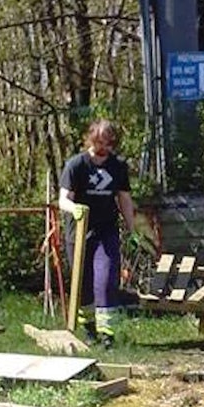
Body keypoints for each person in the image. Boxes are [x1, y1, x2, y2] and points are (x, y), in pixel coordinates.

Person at [58, 119, 140, 346]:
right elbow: (63, 200)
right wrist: (74, 209)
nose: (102, 147)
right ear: (91, 139)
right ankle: (89, 329)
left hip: (107, 230)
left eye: (107, 143)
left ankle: (107, 334)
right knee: (83, 283)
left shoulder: (118, 166)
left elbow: (124, 198)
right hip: (80, 232)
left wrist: (132, 229)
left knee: (105, 279)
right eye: (98, 142)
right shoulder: (76, 165)